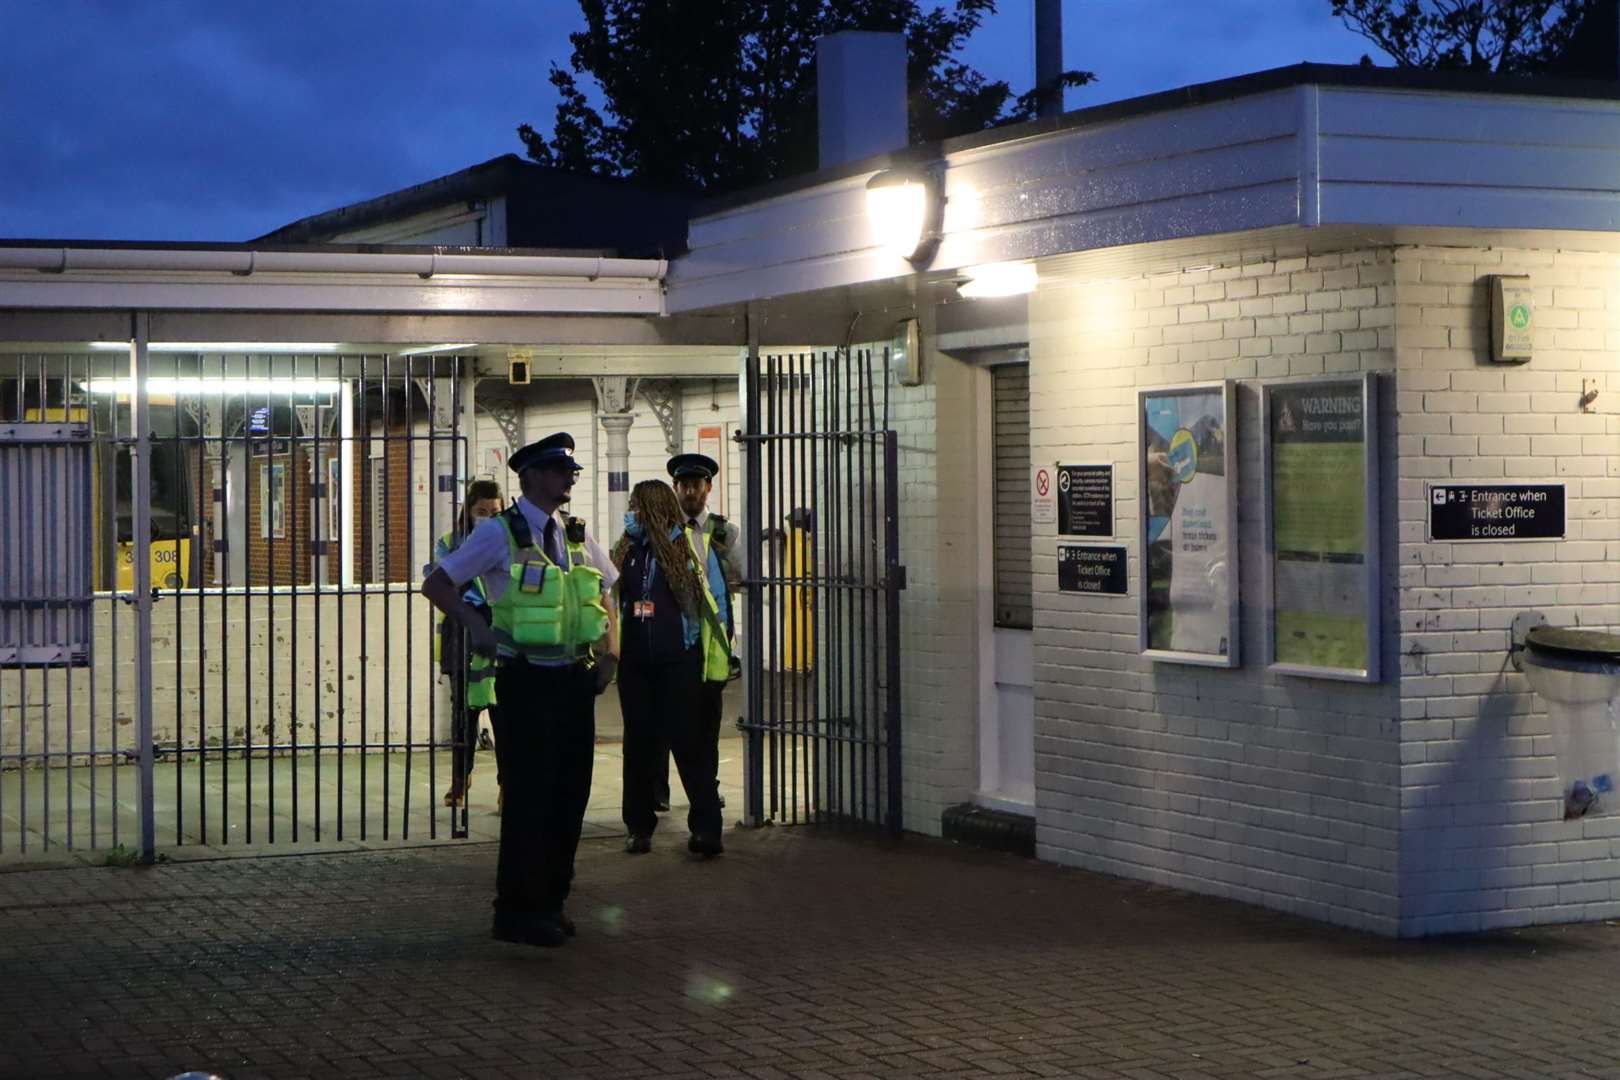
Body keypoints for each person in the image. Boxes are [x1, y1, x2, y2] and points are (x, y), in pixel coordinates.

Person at [422, 432, 619, 948]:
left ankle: (551, 901)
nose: (568, 478)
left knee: (569, 796)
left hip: (574, 678)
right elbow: (438, 583)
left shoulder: (574, 533)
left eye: (571, 471)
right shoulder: (498, 533)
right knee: (531, 797)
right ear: (530, 476)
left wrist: (612, 652)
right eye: (559, 470)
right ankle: (516, 909)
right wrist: (476, 625)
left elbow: (606, 588)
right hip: (527, 678)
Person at [612, 479, 731, 857]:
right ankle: (638, 826)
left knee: (689, 744)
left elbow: (712, 603)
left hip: (678, 661)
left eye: (636, 504)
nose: (631, 511)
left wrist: (697, 647)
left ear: (652, 507)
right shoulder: (626, 549)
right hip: (635, 664)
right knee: (639, 745)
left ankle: (707, 830)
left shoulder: (688, 549)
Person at [665, 453, 741, 812]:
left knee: (707, 724)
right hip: (673, 639)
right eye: (684, 485)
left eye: (697, 485)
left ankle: (706, 789)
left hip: (711, 644)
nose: (691, 491)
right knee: (667, 721)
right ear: (675, 488)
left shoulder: (725, 532)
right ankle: (658, 789)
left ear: (708, 488)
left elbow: (747, 576)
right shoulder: (664, 530)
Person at [427, 478, 504, 811]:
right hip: (462, 630)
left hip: (499, 627)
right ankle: (460, 780)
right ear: (468, 512)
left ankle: (507, 785)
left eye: (494, 512)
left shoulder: (508, 541)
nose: (487, 517)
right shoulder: (450, 543)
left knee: (503, 711)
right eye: (481, 511)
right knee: (464, 713)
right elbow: (443, 580)